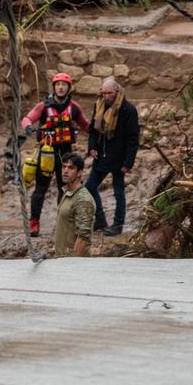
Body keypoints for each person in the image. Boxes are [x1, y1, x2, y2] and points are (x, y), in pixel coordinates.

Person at [21, 72, 91, 237]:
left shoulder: (74, 107)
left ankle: (61, 222)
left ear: (68, 88)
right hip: (46, 153)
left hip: (65, 154)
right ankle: (34, 223)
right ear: (54, 87)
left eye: (64, 85)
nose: (60, 87)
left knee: (64, 188)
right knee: (40, 189)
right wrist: (28, 128)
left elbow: (86, 126)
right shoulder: (44, 106)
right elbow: (27, 119)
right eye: (58, 85)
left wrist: (99, 136)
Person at [86, 77, 140, 236]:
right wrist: (92, 147)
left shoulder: (128, 110)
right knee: (89, 187)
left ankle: (118, 225)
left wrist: (128, 162)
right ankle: (101, 219)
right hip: (101, 155)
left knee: (118, 193)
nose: (106, 96)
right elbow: (93, 131)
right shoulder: (99, 105)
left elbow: (133, 139)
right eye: (103, 93)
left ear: (117, 92)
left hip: (119, 158)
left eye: (109, 93)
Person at [54, 154, 96, 257]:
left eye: (71, 168)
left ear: (80, 172)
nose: (65, 171)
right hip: (61, 261)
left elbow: (83, 237)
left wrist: (73, 265)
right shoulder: (68, 192)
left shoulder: (83, 199)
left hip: (73, 265)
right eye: (64, 167)